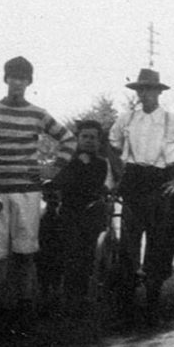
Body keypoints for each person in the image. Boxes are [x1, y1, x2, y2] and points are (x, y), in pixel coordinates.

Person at [0, 56, 75, 333]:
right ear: (5, 79)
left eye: (23, 78)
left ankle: (25, 311)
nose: (17, 82)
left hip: (27, 194)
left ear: (29, 82)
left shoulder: (38, 114)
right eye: (13, 76)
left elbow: (68, 139)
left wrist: (53, 169)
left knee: (25, 252)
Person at [108, 68, 174, 326]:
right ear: (137, 92)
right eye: (141, 89)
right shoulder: (126, 119)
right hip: (133, 183)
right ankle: (126, 307)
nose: (145, 94)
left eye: (150, 89)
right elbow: (111, 146)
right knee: (129, 243)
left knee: (161, 242)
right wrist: (119, 175)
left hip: (163, 184)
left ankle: (153, 304)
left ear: (158, 92)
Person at [49, 120, 112, 316]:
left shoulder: (103, 163)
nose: (88, 141)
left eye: (93, 137)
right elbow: (55, 182)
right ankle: (66, 295)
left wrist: (105, 191)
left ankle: (83, 294)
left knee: (87, 253)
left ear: (99, 141)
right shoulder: (67, 160)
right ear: (77, 139)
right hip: (69, 211)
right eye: (84, 137)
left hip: (93, 211)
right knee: (69, 249)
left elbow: (108, 185)